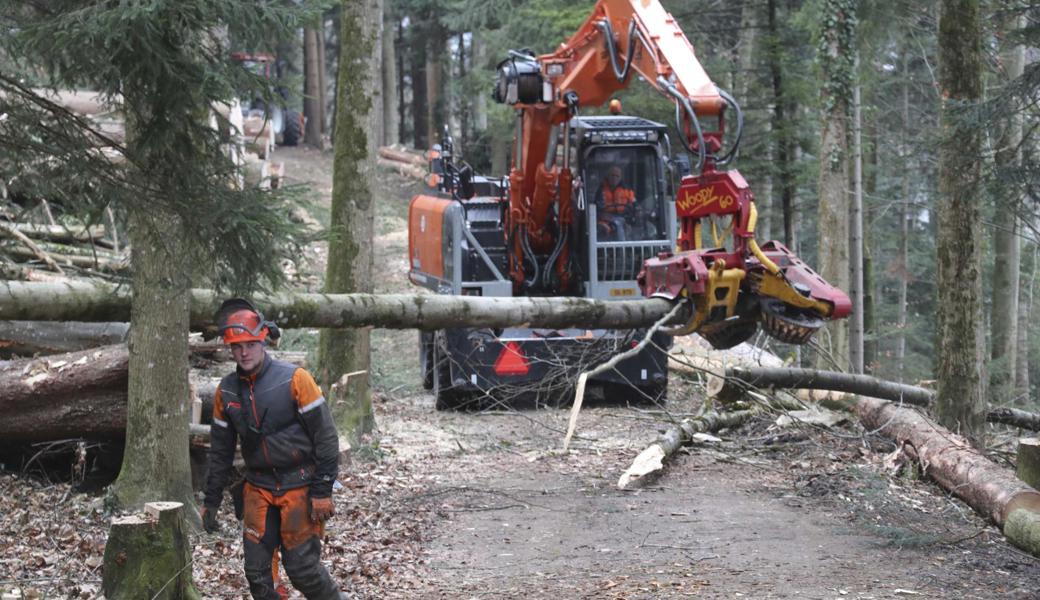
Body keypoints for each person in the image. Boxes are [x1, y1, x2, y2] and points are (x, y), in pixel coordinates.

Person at [202, 298, 345, 600]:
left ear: (263, 340)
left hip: (300, 487)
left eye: (250, 344)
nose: (243, 352)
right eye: (236, 346)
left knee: (303, 569)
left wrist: (322, 491)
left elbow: (327, 438)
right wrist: (211, 499)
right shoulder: (226, 391)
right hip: (258, 489)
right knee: (257, 574)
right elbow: (220, 452)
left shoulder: (296, 379)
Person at [596, 165, 636, 241]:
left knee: (632, 230)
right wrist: (604, 216)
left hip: (624, 219)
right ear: (608, 176)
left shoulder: (627, 190)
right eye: (612, 175)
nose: (614, 178)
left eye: (617, 176)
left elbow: (634, 206)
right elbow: (597, 209)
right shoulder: (601, 191)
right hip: (606, 220)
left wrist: (632, 213)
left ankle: (627, 249)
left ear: (621, 177)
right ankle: (606, 251)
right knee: (601, 230)